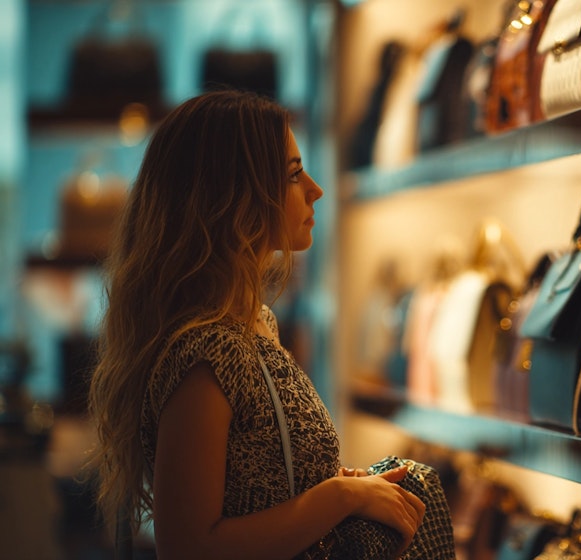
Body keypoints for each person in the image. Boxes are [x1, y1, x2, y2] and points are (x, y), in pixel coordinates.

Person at [86, 90, 426, 559]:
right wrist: (338, 496)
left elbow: (259, 491)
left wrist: (332, 487)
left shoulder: (254, 325)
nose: (314, 188)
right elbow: (188, 548)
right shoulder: (206, 351)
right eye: (292, 174)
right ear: (232, 194)